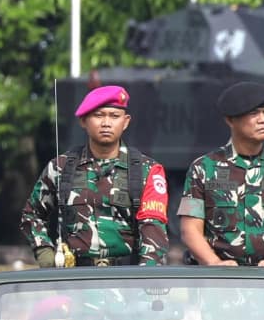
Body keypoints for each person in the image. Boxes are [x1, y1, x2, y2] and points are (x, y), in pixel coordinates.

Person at [20, 84, 169, 267]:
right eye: (98, 115)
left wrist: (144, 278)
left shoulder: (147, 170)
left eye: (114, 116)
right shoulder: (61, 168)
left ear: (126, 121)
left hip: (127, 279)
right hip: (75, 280)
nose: (106, 123)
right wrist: (44, 251)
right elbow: (32, 214)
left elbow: (153, 229)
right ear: (84, 121)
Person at [178, 81, 264, 267]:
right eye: (254, 114)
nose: (263, 119)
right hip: (220, 282)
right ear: (230, 120)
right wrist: (214, 263)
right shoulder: (203, 168)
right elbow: (190, 230)